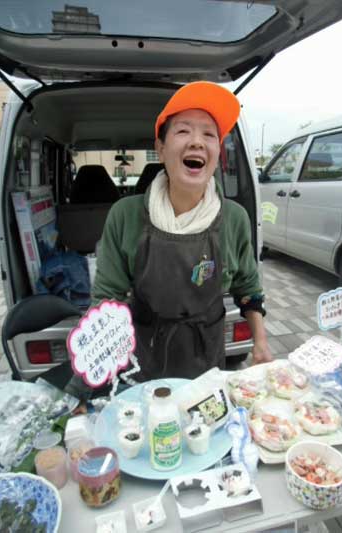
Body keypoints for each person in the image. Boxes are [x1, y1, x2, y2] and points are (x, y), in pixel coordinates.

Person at [90, 81, 272, 382]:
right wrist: (91, 373)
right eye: (184, 131)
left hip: (207, 350)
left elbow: (249, 290)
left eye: (209, 134)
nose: (197, 142)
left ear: (217, 153)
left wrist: (261, 343)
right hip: (142, 349)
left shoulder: (235, 218)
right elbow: (107, 298)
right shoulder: (126, 215)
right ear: (160, 149)